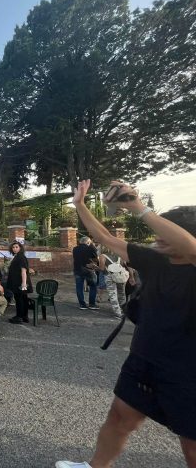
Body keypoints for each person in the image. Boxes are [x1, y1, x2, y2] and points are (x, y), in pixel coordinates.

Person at [56, 180, 196, 468]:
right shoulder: (155, 260)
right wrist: (80, 205)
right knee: (119, 417)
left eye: (163, 231)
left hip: (188, 370)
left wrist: (139, 208)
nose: (155, 237)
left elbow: (191, 247)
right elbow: (105, 237)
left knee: (192, 445)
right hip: (145, 358)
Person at [7, 241, 32, 324]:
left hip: (20, 283)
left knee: (19, 299)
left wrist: (24, 284)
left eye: (16, 247)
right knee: (23, 299)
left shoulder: (21, 257)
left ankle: (19, 317)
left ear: (20, 248)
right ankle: (24, 317)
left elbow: (23, 271)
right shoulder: (17, 256)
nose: (14, 249)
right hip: (18, 282)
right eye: (13, 247)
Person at [98, 249, 127, 318]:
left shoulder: (103, 256)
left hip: (109, 276)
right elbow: (123, 265)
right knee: (122, 293)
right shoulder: (120, 255)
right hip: (120, 276)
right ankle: (124, 309)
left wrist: (95, 267)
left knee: (113, 294)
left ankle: (118, 313)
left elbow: (101, 269)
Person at [73, 236, 99, 309]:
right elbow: (96, 259)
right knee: (93, 286)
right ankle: (92, 304)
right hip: (89, 270)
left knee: (79, 287)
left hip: (78, 269)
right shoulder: (91, 248)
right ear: (88, 242)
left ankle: (82, 304)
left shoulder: (75, 249)